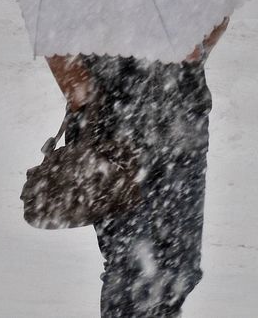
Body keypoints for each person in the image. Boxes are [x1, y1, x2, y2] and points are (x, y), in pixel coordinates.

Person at [47, 17, 229, 318]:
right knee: (133, 267)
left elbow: (220, 11)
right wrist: (78, 88)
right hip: (111, 131)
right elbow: (52, 28)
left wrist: (201, 42)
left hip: (182, 126)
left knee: (180, 265)